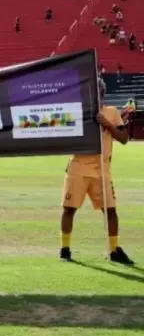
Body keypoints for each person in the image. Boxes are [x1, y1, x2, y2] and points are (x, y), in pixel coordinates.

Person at [60, 82, 132, 265]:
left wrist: (106, 123)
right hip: (78, 167)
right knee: (69, 208)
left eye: (97, 90)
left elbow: (124, 138)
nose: (94, 93)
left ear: (102, 92)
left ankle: (114, 250)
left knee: (110, 210)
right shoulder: (77, 111)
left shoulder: (111, 112)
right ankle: (65, 249)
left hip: (101, 169)